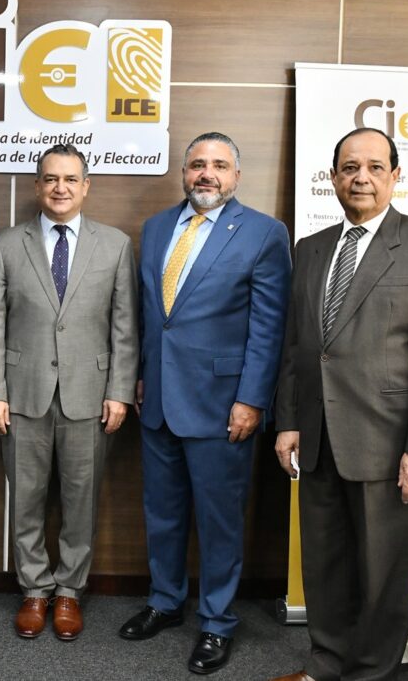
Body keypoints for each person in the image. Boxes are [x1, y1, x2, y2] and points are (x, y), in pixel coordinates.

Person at [272, 127, 408, 681]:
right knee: (325, 567)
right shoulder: (310, 248)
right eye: (350, 167)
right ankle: (325, 664)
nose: (361, 177)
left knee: (385, 577)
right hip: (318, 439)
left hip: (391, 446)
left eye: (375, 167)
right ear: (333, 177)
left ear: (395, 176)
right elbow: (298, 344)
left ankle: (369, 674)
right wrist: (289, 421)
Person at [121, 132, 291, 674]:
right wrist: (142, 376)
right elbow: (152, 316)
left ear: (236, 175)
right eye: (197, 164)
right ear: (184, 172)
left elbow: (269, 327)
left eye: (219, 165)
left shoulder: (264, 233)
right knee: (163, 512)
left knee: (219, 521)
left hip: (223, 407)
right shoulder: (156, 228)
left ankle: (217, 622)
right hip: (158, 399)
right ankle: (166, 601)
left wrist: (252, 400)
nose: (206, 174)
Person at [0, 143, 139, 641]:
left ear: (86, 186)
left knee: (80, 499)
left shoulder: (115, 245)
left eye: (70, 179)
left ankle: (69, 590)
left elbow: (125, 327)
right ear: (37, 186)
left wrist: (119, 391)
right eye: (51, 178)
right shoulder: (7, 244)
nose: (60, 188)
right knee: (25, 498)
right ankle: (34, 589)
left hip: (90, 394)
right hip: (21, 393)